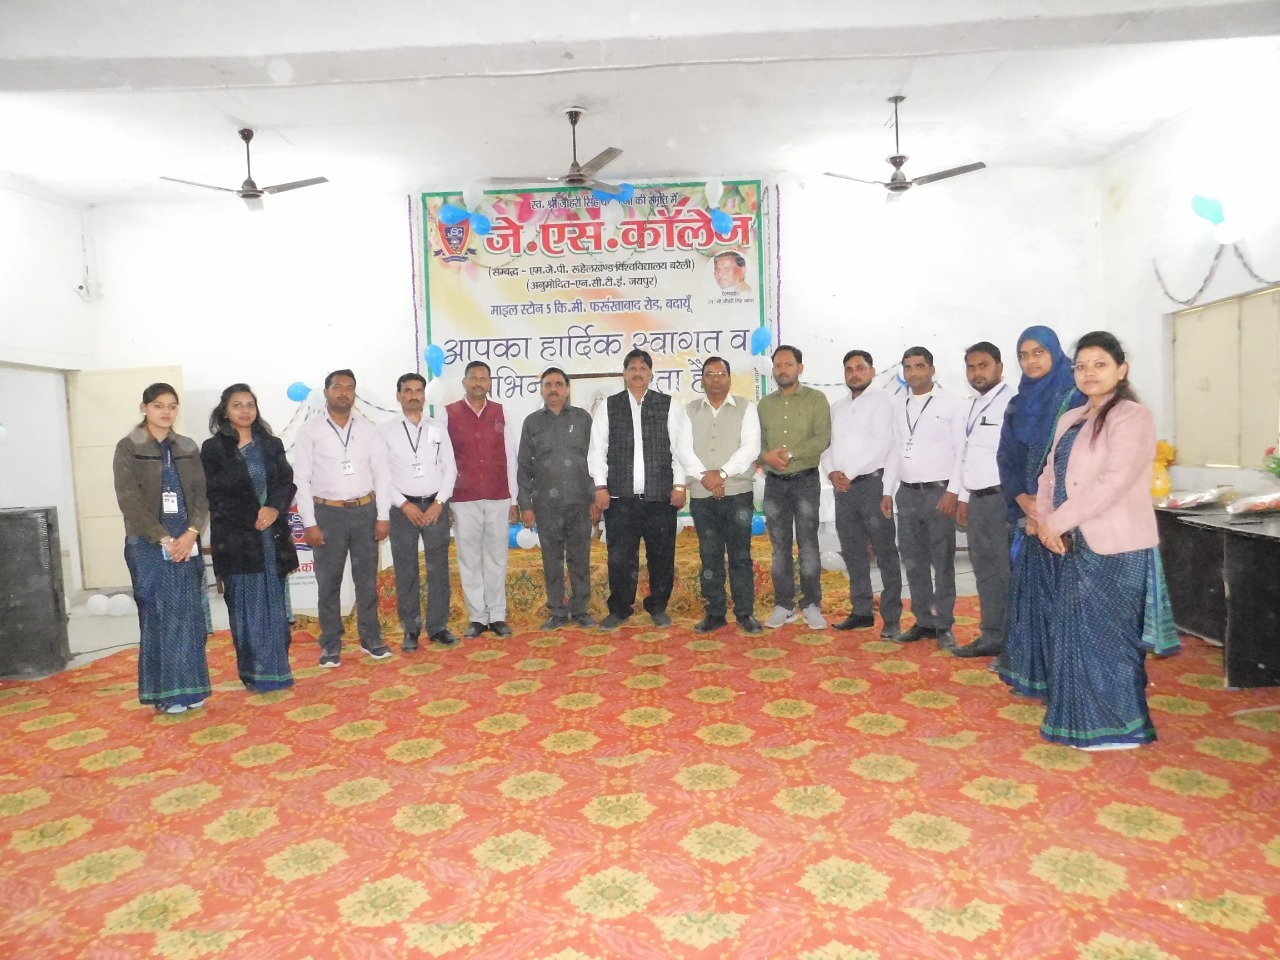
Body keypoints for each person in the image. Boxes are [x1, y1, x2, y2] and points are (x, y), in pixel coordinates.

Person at [1034, 331, 1179, 749]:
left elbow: (1113, 482)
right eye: (1081, 366)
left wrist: (1057, 522)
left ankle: (1123, 727)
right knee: (1074, 635)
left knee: (1111, 639)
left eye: (1100, 364)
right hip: (1073, 544)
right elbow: (1049, 476)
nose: (1089, 373)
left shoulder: (1133, 417)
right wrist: (1045, 522)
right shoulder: (1071, 418)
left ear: (1121, 369)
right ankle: (1079, 724)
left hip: (1117, 546)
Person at [995, 326, 1086, 697]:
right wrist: (1023, 500)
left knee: (1067, 599)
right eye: (1024, 355)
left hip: (1069, 513)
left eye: (1038, 353)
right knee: (1033, 596)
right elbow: (1007, 456)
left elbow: (1078, 459)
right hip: (1029, 511)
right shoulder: (1018, 403)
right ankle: (1034, 674)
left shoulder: (1077, 396)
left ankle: (1069, 680)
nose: (1030, 361)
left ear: (1055, 353)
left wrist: (1048, 509)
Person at [112, 382, 211, 714]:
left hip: (186, 542)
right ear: (144, 408)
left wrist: (192, 532)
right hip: (148, 544)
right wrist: (164, 538)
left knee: (189, 615)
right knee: (159, 615)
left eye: (172, 406)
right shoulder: (129, 447)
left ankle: (192, 688)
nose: (166, 412)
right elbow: (129, 499)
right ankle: (166, 693)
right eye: (158, 405)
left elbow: (201, 495)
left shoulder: (187, 446)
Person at [201, 383, 298, 693]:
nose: (245, 410)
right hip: (237, 540)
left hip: (272, 537)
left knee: (274, 606)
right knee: (246, 608)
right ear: (225, 411)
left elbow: (286, 483)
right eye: (237, 405)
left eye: (250, 405)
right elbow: (214, 495)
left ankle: (279, 671)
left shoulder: (271, 444)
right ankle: (255, 673)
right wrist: (252, 517)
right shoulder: (213, 449)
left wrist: (274, 508)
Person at [293, 369, 393, 667]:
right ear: (326, 392)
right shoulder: (310, 431)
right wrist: (309, 522)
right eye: (337, 387)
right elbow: (301, 480)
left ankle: (371, 638)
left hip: (365, 512)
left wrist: (383, 515)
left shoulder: (369, 430)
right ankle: (331, 643)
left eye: (349, 388)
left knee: (366, 580)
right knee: (329, 582)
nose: (344, 393)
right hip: (328, 514)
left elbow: (382, 475)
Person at [589, 348, 692, 629]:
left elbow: (679, 449)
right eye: (632, 368)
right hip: (620, 499)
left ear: (650, 374)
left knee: (661, 556)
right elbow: (597, 450)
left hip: (660, 498)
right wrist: (600, 486)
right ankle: (620, 609)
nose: (637, 373)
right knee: (620, 558)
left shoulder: (668, 405)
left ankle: (658, 607)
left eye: (643, 368)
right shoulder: (609, 406)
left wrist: (679, 485)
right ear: (624, 374)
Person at [881, 346, 965, 648]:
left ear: (932, 369)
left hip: (939, 493)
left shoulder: (952, 403)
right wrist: (887, 491)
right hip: (907, 493)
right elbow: (894, 449)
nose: (913, 372)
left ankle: (944, 624)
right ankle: (923, 621)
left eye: (919, 366)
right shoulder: (898, 405)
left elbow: (962, 450)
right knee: (913, 561)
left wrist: (953, 491)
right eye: (908, 367)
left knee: (942, 563)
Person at [821, 350, 903, 638]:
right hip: (844, 490)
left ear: (872, 370)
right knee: (853, 551)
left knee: (885, 552)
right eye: (849, 369)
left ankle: (892, 618)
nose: (854, 373)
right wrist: (832, 472)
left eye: (860, 368)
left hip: (872, 485)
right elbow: (827, 446)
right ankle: (862, 611)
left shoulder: (884, 401)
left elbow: (883, 443)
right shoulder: (837, 407)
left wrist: (850, 473)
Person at [679, 356, 763, 634]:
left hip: (738, 493)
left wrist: (722, 474)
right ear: (702, 379)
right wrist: (707, 477)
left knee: (740, 556)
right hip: (702, 495)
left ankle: (745, 613)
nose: (715, 379)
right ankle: (715, 613)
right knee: (710, 556)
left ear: (729, 378)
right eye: (709, 374)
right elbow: (683, 450)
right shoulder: (690, 410)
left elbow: (750, 448)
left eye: (721, 373)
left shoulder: (746, 408)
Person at [380, 373, 459, 652]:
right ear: (398, 395)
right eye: (408, 390)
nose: (413, 395)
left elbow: (450, 468)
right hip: (403, 510)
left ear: (424, 396)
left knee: (439, 569)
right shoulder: (385, 431)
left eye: (418, 390)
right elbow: (381, 475)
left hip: (436, 506)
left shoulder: (438, 428)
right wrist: (404, 504)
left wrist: (440, 502)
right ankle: (411, 629)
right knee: (406, 569)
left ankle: (438, 627)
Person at [758, 345, 832, 630]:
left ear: (800, 368)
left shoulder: (816, 400)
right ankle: (784, 605)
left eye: (788, 364)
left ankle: (811, 604)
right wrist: (767, 457)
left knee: (808, 544)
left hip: (805, 482)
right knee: (779, 548)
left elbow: (822, 438)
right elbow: (757, 445)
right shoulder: (764, 406)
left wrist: (790, 454)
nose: (783, 370)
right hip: (774, 485)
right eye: (778, 365)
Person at [517, 367, 597, 630]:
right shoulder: (532, 423)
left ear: (568, 388)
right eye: (548, 384)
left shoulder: (583, 419)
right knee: (552, 560)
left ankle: (581, 609)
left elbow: (595, 460)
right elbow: (524, 467)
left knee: (580, 557)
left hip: (579, 502)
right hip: (546, 505)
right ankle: (558, 611)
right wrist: (526, 505)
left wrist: (595, 498)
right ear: (541, 390)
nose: (553, 389)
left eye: (559, 384)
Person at [446, 360, 520, 639]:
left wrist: (514, 498)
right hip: (463, 498)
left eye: (483, 378)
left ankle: (497, 615)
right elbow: (443, 460)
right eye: (473, 378)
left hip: (498, 496)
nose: (478, 382)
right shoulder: (448, 414)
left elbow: (510, 456)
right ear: (464, 382)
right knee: (469, 559)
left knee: (497, 557)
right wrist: (446, 499)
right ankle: (477, 617)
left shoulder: (502, 412)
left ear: (490, 383)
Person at [952, 343, 1015, 658]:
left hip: (1002, 500)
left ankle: (1015, 643)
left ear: (999, 367)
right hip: (977, 500)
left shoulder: (1012, 404)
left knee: (1007, 573)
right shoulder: (972, 406)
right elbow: (967, 455)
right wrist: (963, 498)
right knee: (984, 571)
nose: (977, 372)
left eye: (983, 365)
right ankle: (992, 635)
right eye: (971, 367)